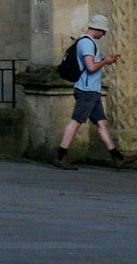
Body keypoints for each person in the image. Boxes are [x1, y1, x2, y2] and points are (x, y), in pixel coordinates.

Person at [54, 12, 126, 168]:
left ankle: (118, 157)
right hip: (86, 90)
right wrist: (105, 61)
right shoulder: (87, 43)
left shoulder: (84, 41)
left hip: (91, 90)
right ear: (99, 29)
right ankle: (61, 155)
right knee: (76, 121)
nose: (104, 34)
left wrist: (105, 60)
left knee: (102, 123)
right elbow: (91, 67)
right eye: (104, 31)